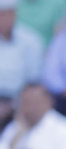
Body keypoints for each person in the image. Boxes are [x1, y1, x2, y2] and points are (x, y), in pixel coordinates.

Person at [0, 0, 44, 129]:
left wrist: (13, 105)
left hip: (20, 105)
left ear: (14, 14)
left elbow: (34, 83)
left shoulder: (31, 41)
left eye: (4, 14)